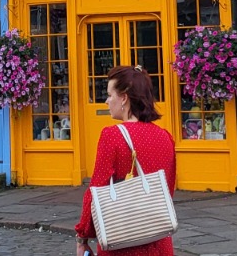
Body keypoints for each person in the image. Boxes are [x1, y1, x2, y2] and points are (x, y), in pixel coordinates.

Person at [74, 66, 177, 256]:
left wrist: (83, 237)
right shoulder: (165, 137)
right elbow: (167, 189)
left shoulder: (111, 136)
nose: (106, 101)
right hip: (159, 241)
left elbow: (96, 191)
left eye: (109, 95)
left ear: (124, 98)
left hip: (121, 239)